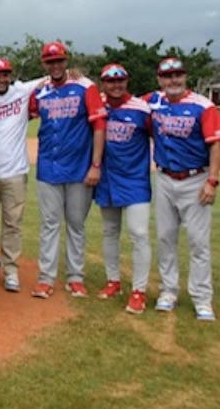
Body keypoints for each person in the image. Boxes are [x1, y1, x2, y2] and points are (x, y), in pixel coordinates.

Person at [29, 41, 106, 299]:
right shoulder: (40, 92)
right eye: (50, 61)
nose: (56, 65)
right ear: (44, 64)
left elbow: (99, 127)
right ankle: (46, 278)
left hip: (79, 168)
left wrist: (96, 165)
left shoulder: (85, 87)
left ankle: (75, 277)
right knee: (50, 224)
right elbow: (21, 114)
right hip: (48, 168)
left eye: (59, 60)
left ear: (66, 60)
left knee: (75, 224)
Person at [146, 57, 220, 321]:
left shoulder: (203, 106)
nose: (173, 80)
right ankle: (168, 291)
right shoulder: (153, 102)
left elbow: (215, 145)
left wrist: (212, 181)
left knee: (198, 242)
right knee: (165, 237)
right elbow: (120, 101)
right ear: (159, 80)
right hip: (165, 178)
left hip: (195, 179)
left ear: (185, 77)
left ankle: (202, 298)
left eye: (177, 75)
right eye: (167, 76)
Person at [0, 57, 43, 292]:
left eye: (5, 74)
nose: (1, 79)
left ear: (10, 75)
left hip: (15, 170)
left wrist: (76, 74)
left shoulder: (21, 91)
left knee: (12, 223)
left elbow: (51, 77)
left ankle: (11, 270)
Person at [94, 63, 152, 314]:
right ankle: (113, 281)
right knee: (109, 231)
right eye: (110, 81)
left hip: (135, 179)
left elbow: (160, 136)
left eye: (120, 81)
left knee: (138, 233)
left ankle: (139, 290)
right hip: (107, 178)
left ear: (126, 82)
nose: (115, 85)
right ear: (103, 83)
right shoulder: (99, 106)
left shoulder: (141, 108)